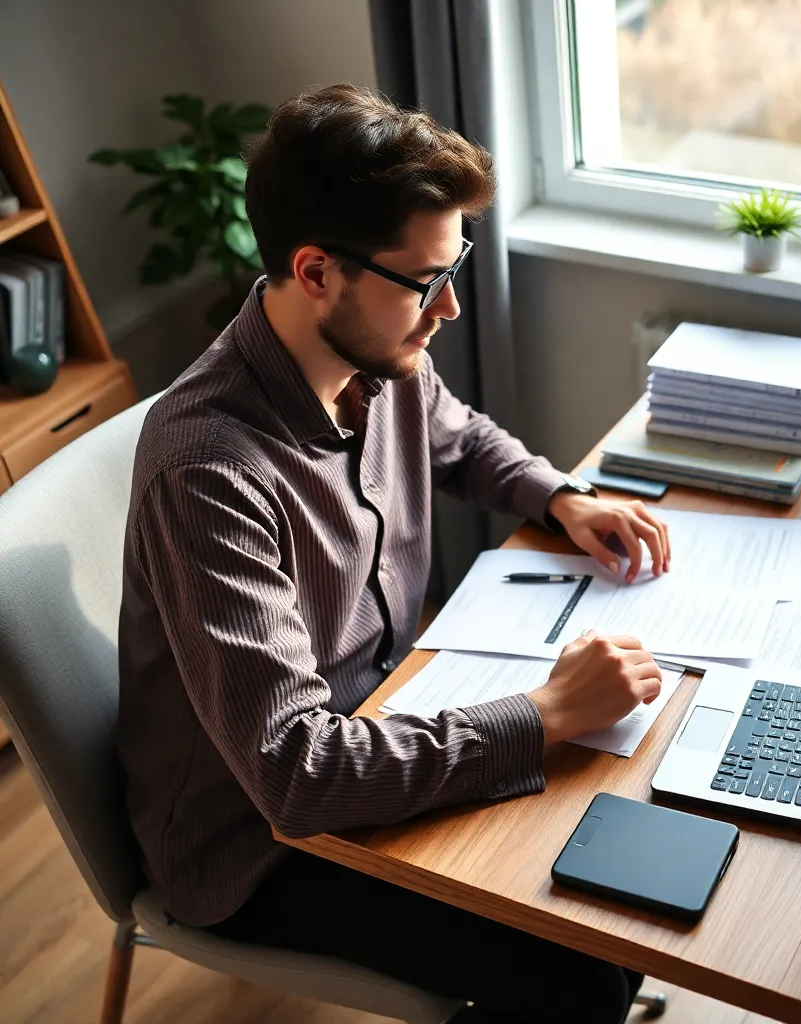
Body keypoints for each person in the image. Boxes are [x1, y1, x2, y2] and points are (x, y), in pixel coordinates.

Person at [117, 82, 671, 1024]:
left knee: (620, 901)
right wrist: (541, 714)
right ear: (317, 271)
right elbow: (297, 776)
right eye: (426, 281)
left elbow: (455, 437)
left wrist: (561, 496)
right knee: (574, 973)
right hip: (259, 844)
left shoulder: (381, 352)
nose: (447, 309)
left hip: (385, 724)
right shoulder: (208, 470)